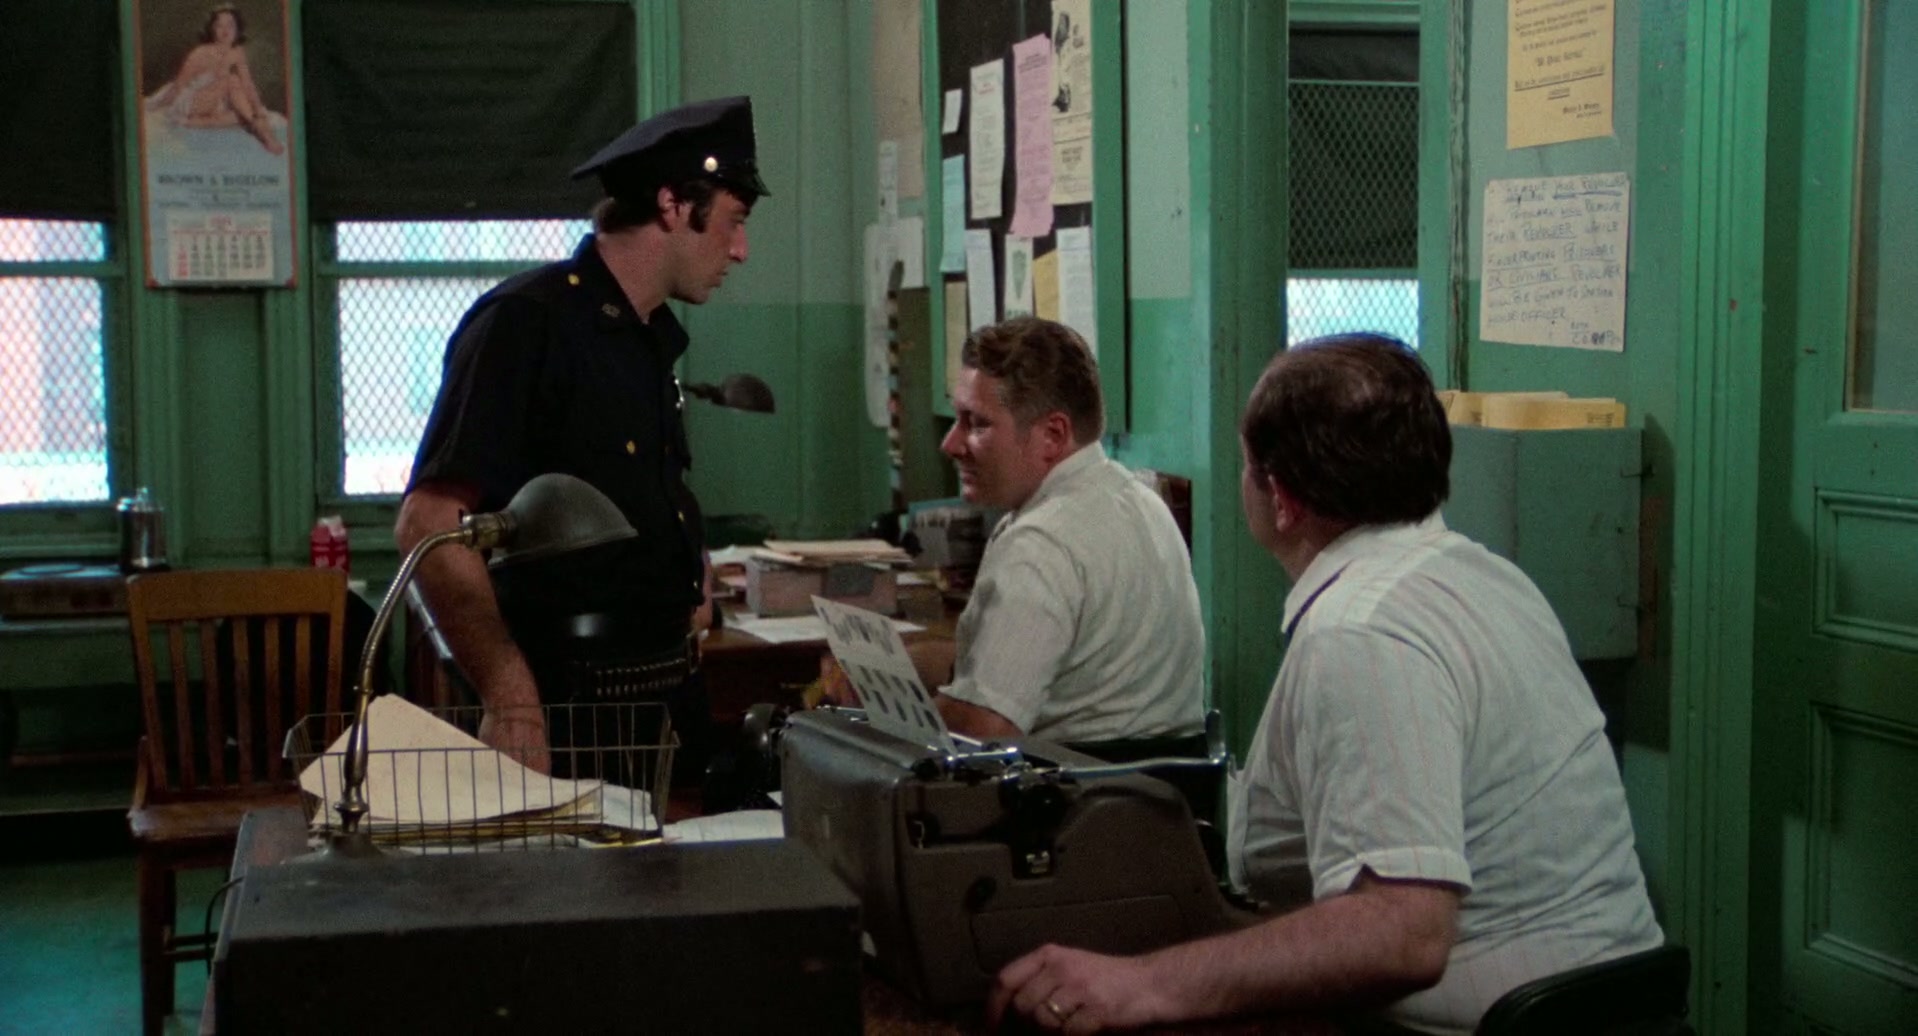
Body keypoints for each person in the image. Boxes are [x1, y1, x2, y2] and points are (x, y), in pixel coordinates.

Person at [990, 333, 1662, 1034]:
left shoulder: (1361, 633)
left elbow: (1403, 933)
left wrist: (1144, 985)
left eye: (1248, 466)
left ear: (1280, 498)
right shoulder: (1484, 576)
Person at [395, 96, 769, 777]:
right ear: (673, 205)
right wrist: (511, 699)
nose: (741, 250)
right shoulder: (527, 322)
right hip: (568, 716)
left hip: (664, 701)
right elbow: (428, 524)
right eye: (734, 220)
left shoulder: (646, 335)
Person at [911, 316, 1205, 746]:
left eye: (976, 424)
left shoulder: (1041, 542)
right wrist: (905, 666)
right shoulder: (1142, 502)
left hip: (1072, 784)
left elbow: (985, 732)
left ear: (1053, 434)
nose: (951, 444)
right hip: (1163, 784)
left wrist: (888, 710)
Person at [143, 4, 284, 155]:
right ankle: (263, 132)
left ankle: (196, 123)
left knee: (240, 116)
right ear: (212, 29)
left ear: (237, 29)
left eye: (230, 25)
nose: (225, 31)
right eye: (219, 26)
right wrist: (159, 106)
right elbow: (179, 86)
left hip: (215, 100)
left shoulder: (237, 53)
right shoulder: (200, 53)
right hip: (189, 101)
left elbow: (248, 85)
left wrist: (258, 109)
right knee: (232, 80)